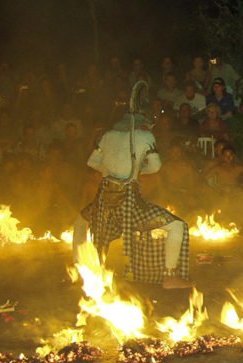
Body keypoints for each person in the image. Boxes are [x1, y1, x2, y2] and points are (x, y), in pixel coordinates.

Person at [73, 112, 192, 289]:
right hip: (128, 200)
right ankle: (169, 277)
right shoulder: (146, 136)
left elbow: (92, 162)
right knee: (177, 226)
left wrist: (111, 171)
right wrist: (136, 170)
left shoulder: (107, 135)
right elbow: (156, 166)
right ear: (142, 126)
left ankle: (80, 272)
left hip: (104, 199)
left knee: (80, 222)